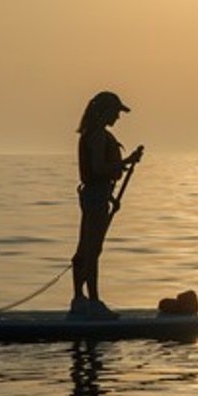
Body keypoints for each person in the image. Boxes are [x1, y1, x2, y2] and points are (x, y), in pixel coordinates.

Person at [72, 91, 144, 319]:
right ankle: (89, 303)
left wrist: (110, 197)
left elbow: (100, 174)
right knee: (91, 249)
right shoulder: (97, 136)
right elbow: (97, 169)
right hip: (94, 196)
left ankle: (81, 300)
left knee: (90, 247)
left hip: (97, 195)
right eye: (116, 112)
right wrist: (127, 161)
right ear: (105, 111)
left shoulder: (95, 134)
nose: (118, 117)